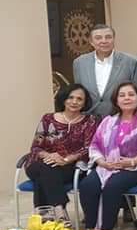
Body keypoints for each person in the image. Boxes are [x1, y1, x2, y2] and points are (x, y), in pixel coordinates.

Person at [78, 82, 137, 230]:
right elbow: (94, 145)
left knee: (112, 186)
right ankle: (91, 227)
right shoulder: (108, 121)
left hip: (134, 168)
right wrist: (102, 162)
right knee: (86, 185)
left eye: (131, 95)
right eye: (122, 95)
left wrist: (132, 162)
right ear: (116, 100)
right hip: (106, 166)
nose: (127, 98)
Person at [24, 84, 97, 222]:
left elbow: (88, 148)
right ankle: (59, 210)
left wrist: (66, 159)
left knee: (44, 175)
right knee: (46, 168)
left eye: (79, 99)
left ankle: (47, 215)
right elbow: (35, 147)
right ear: (63, 99)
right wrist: (50, 156)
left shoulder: (89, 121)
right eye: (70, 97)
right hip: (38, 163)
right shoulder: (48, 118)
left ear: (84, 102)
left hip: (70, 167)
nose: (74, 102)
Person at [73, 24, 137, 117]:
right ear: (91, 41)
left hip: (119, 118)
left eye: (108, 37)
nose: (104, 41)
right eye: (98, 38)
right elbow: (78, 92)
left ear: (114, 39)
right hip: (89, 118)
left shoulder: (130, 62)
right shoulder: (80, 63)